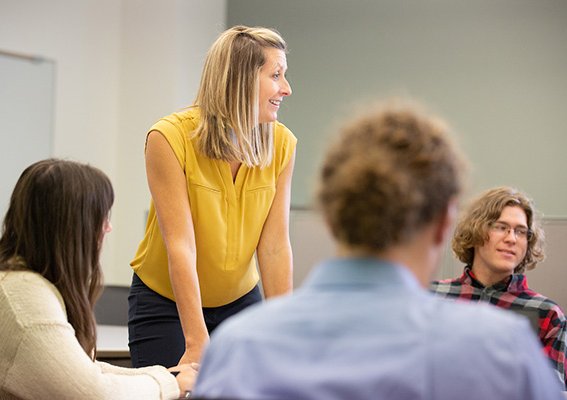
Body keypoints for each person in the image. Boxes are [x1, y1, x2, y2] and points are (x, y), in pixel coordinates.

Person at [192, 99, 565, 399]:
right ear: (443, 225)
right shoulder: (504, 353)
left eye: (521, 232)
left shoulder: (238, 349)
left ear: (331, 218)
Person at [128, 25, 296, 369]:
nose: (286, 89)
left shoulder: (281, 144)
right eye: (276, 75)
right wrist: (196, 341)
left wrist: (285, 335)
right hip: (167, 303)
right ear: (240, 79)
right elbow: (181, 246)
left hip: (238, 301)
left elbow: (275, 247)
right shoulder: (170, 138)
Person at [0, 159, 197, 399]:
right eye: (101, 218)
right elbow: (92, 392)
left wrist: (167, 377)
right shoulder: (23, 302)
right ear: (73, 227)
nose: (108, 228)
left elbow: (84, 371)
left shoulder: (15, 283)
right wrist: (173, 385)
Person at [431, 186, 567, 389]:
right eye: (501, 227)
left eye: (521, 231)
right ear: (477, 229)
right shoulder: (431, 297)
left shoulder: (548, 315)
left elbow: (549, 393)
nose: (511, 238)